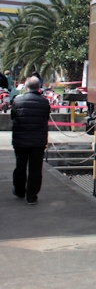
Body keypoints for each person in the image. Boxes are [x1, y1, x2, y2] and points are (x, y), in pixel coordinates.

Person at [11, 76, 51, 205]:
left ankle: (19, 190)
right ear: (39, 87)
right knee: (36, 168)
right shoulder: (44, 102)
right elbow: (46, 117)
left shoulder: (17, 101)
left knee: (20, 166)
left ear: (26, 86)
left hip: (20, 141)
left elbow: (13, 116)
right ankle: (32, 196)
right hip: (38, 141)